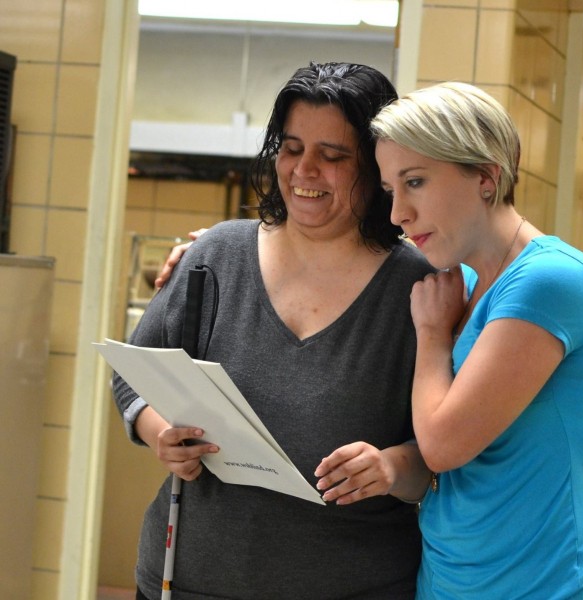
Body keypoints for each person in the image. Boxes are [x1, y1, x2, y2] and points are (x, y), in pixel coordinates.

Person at [113, 62, 434, 600]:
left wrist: (392, 465)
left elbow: (448, 447)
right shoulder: (213, 257)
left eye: (333, 156)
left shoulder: (419, 289)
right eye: (290, 148)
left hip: (355, 584)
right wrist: (158, 434)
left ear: (376, 167)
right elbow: (133, 375)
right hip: (191, 580)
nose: (305, 170)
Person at [369, 81, 583, 598]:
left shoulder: (550, 281)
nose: (398, 213)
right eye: (391, 190)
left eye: (415, 181)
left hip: (548, 586)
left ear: (486, 177)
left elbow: (443, 446)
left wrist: (434, 336)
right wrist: (224, 246)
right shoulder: (460, 282)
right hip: (448, 580)